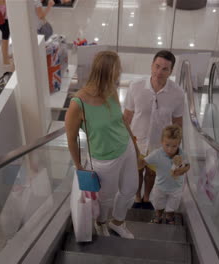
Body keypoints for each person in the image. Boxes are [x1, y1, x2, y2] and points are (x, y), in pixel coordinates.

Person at [65, 51, 139, 239]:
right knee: (105, 199)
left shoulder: (111, 90)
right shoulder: (78, 103)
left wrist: (135, 146)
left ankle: (118, 222)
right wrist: (79, 166)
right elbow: (71, 138)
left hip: (126, 147)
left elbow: (121, 120)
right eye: (117, 69)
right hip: (104, 159)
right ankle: (101, 223)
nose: (120, 72)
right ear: (107, 72)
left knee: (130, 189)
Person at [123, 50, 184, 209]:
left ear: (171, 71)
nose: (159, 72)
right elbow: (127, 116)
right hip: (136, 141)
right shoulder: (135, 87)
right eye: (157, 66)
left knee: (151, 174)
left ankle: (146, 197)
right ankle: (137, 197)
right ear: (151, 65)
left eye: (165, 69)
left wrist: (176, 148)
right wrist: (123, 140)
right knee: (136, 172)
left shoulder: (177, 93)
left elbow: (177, 122)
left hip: (159, 144)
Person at [141, 124, 190, 224]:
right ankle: (158, 216)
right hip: (160, 187)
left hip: (176, 188)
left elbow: (188, 165)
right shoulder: (156, 154)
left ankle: (169, 218)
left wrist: (182, 170)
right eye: (167, 145)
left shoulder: (182, 154)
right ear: (162, 142)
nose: (170, 149)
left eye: (174, 146)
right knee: (159, 206)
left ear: (179, 144)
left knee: (171, 208)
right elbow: (143, 162)